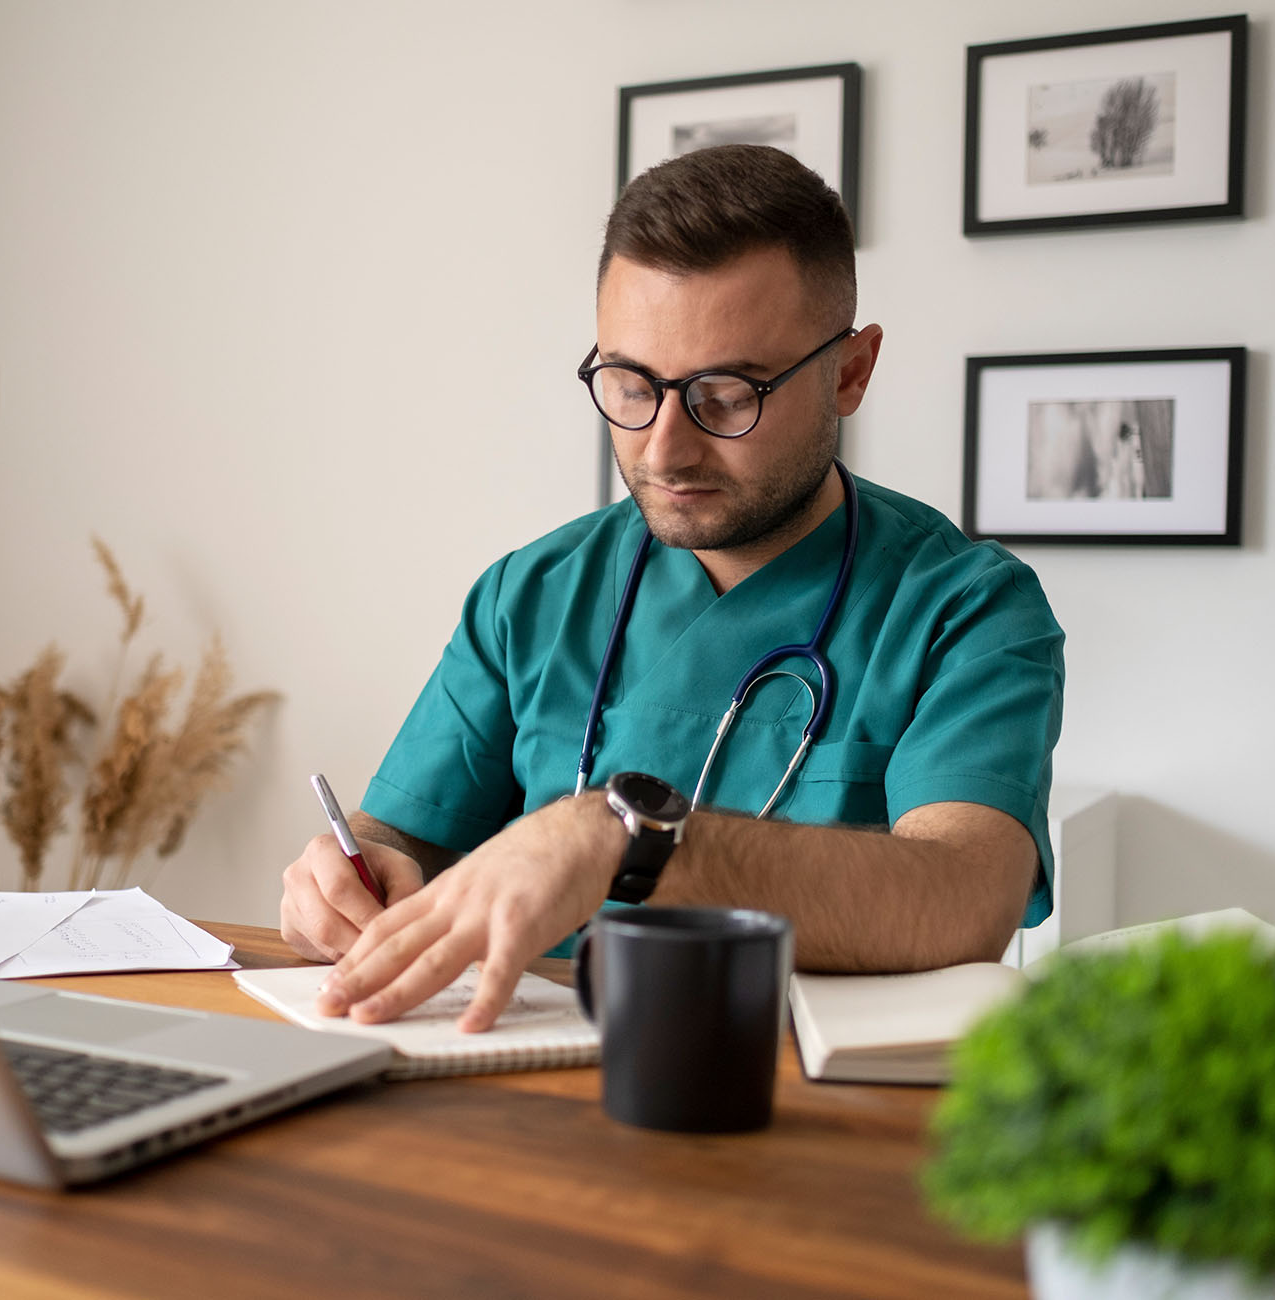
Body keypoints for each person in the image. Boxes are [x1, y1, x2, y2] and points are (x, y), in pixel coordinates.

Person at [280, 144, 1065, 1032]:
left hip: (806, 1109)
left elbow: (965, 898)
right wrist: (347, 884)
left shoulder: (967, 611)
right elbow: (402, 840)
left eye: (726, 397)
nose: (662, 450)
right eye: (629, 384)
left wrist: (623, 840)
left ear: (849, 372)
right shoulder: (532, 593)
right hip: (516, 1088)